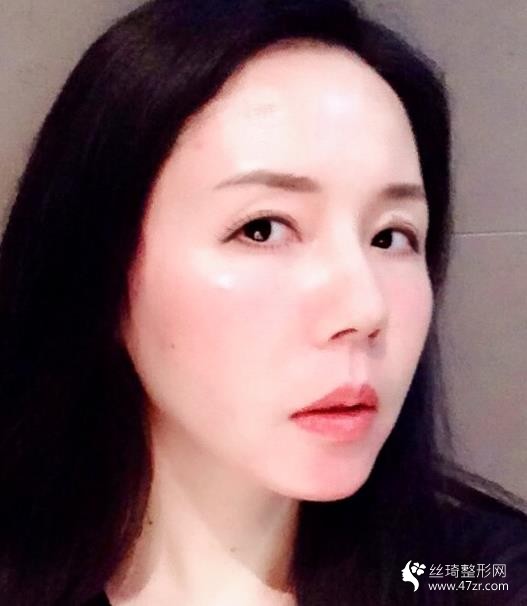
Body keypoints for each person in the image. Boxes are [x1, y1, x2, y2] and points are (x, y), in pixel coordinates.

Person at [1, 1, 526, 605]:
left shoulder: (469, 577)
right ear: (101, 270)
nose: (365, 309)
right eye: (263, 228)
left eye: (390, 236)